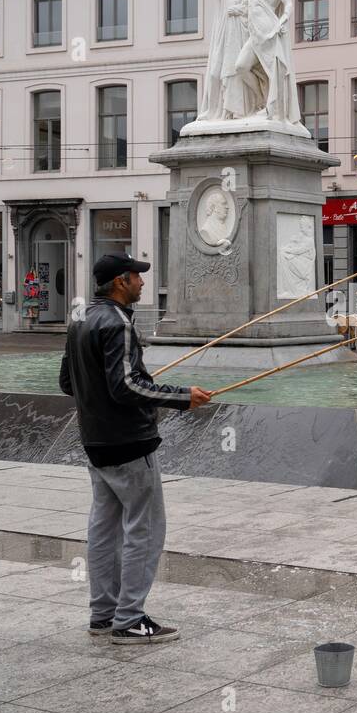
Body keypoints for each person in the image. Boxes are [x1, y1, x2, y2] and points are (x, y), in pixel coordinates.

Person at [59, 252, 213, 646]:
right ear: (119, 282)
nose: (143, 283)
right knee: (143, 531)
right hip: (128, 444)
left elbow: (67, 382)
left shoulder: (79, 320)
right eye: (136, 277)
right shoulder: (119, 323)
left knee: (104, 530)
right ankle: (129, 619)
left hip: (95, 443)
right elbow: (125, 387)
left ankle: (103, 614)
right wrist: (182, 397)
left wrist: (132, 379)